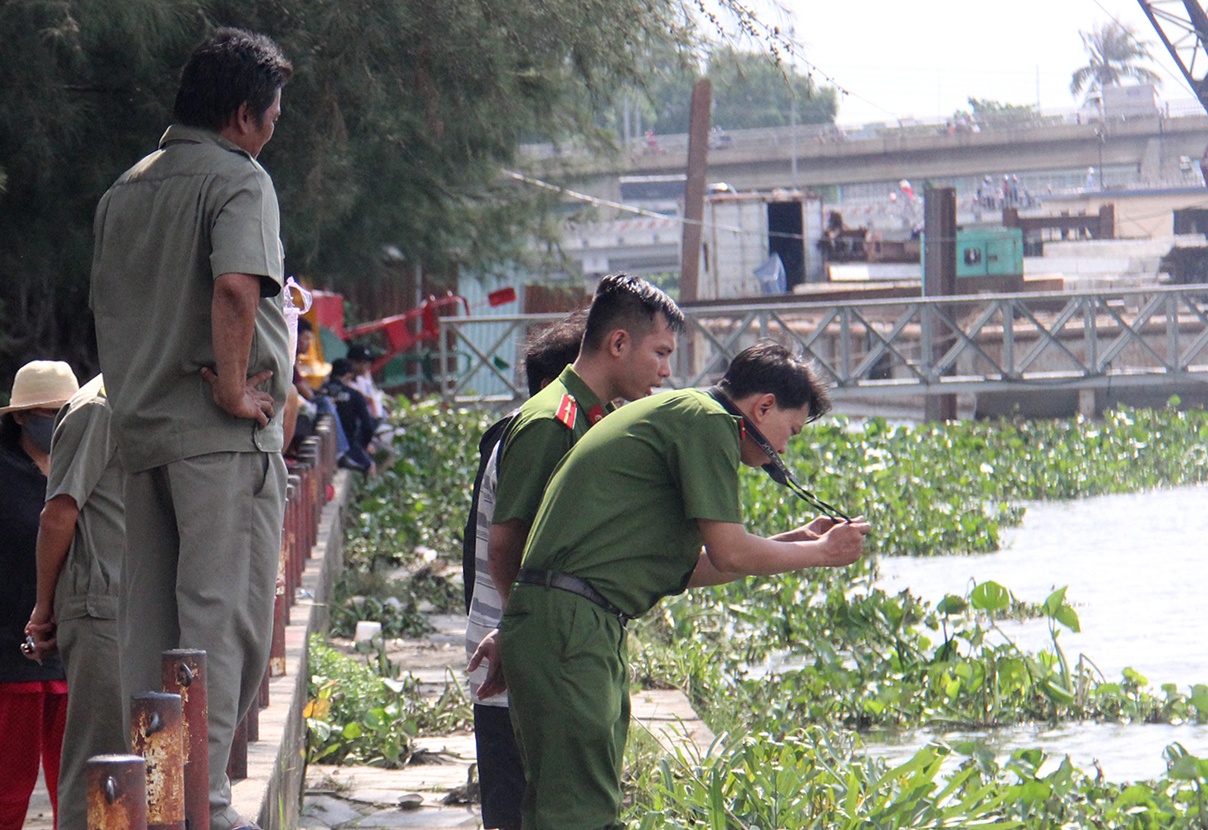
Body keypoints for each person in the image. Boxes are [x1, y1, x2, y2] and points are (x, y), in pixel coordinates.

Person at [474, 343, 871, 830]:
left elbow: (690, 569)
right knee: (580, 813)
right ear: (763, 406)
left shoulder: (686, 415)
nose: (784, 449)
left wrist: (792, 543)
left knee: (569, 803)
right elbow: (730, 552)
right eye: (789, 431)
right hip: (571, 628)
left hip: (579, 623)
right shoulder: (710, 425)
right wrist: (823, 553)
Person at [89, 27, 293, 830]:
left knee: (151, 631)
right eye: (274, 115)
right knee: (222, 616)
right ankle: (199, 803)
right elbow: (238, 290)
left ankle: (158, 796)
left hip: (139, 435)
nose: (274, 130)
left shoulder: (123, 191)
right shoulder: (240, 182)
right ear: (244, 114)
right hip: (215, 434)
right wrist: (238, 391)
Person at [468, 273, 683, 830]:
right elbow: (508, 547)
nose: (667, 371)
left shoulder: (590, 418)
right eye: (660, 353)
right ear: (618, 344)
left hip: (562, 640)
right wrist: (530, 630)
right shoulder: (551, 422)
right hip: (550, 644)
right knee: (556, 807)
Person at [462, 311, 587, 830]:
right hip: (512, 653)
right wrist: (514, 631)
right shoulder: (536, 436)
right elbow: (504, 549)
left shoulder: (523, 432)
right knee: (515, 803)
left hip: (509, 642)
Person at [24, 375, 125, 830]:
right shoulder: (98, 407)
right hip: (100, 601)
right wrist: (44, 608)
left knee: (128, 755)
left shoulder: (135, 390)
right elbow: (58, 514)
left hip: (127, 599)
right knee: (98, 759)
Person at [0, 360, 79, 830]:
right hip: (11, 652)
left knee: (76, 787)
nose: (57, 422)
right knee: (8, 789)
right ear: (22, 417)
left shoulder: (89, 464)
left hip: (76, 646)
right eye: (48, 413)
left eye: (66, 413)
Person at [322, 358, 377, 474]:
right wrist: (365, 445)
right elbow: (368, 426)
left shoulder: (320, 393)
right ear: (348, 375)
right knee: (370, 466)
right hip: (348, 445)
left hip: (322, 447)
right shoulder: (355, 395)